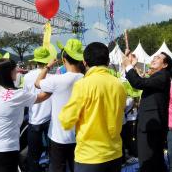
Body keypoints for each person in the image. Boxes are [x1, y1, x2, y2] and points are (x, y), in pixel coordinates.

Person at [59, 42, 126, 172]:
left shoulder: (83, 85)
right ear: (108, 61)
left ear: (84, 62)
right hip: (114, 154)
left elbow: (66, 121)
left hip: (89, 157)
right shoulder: (119, 85)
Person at [0, 59, 50, 172]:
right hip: (5, 150)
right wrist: (58, 84)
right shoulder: (16, 94)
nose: (17, 70)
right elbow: (42, 97)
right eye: (15, 68)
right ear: (9, 72)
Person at [34, 39, 85, 172]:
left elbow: (37, 83)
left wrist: (48, 67)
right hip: (81, 136)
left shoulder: (56, 80)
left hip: (58, 137)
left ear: (64, 59)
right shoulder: (86, 79)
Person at [122, 51, 172, 172]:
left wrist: (128, 66)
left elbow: (138, 83)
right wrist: (132, 65)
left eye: (158, 58)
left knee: (148, 160)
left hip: (151, 125)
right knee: (155, 160)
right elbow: (138, 82)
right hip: (151, 124)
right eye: (154, 56)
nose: (154, 59)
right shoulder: (158, 76)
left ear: (165, 65)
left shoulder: (163, 76)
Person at [24, 47, 53, 172]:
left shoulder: (27, 77)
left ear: (36, 61)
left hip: (34, 118)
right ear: (47, 61)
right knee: (52, 153)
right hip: (50, 118)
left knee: (33, 154)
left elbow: (26, 96)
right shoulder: (53, 76)